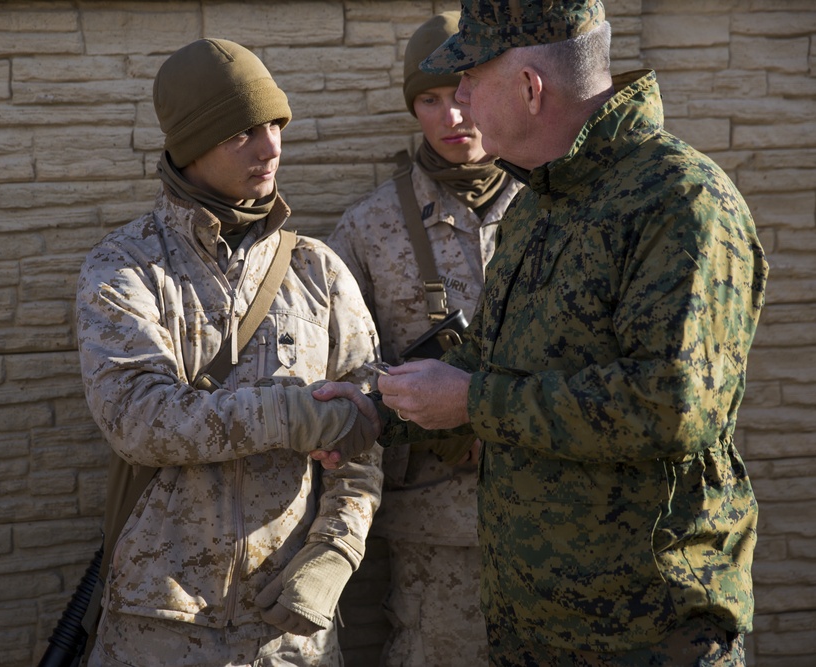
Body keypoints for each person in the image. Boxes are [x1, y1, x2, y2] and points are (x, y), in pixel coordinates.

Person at [314, 0, 769, 664]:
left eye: (471, 78)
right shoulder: (544, 202)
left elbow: (672, 404)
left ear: (530, 88)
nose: (460, 100)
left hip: (643, 635)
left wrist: (472, 403)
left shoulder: (678, 202)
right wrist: (377, 411)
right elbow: (487, 359)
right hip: (537, 630)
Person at [76, 38, 384, 667]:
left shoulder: (317, 270)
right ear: (190, 145)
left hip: (290, 631)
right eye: (242, 131)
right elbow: (139, 420)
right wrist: (293, 415)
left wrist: (333, 555)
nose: (271, 147)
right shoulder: (127, 267)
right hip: (159, 625)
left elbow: (366, 427)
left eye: (275, 124)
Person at [327, 11, 520, 666]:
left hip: (561, 512)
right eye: (430, 99)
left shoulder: (553, 209)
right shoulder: (366, 227)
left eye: (464, 92)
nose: (452, 116)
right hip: (439, 532)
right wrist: (422, 407)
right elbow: (338, 368)